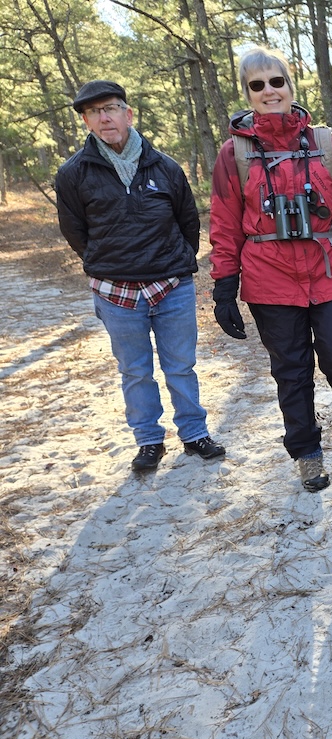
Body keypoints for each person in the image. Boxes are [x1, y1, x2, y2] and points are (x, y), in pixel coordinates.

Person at [209, 46, 332, 491]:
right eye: (258, 85)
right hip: (269, 280)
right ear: (248, 94)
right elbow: (224, 223)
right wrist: (223, 285)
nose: (269, 91)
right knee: (290, 370)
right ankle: (307, 453)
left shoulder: (327, 144)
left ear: (291, 85)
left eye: (277, 81)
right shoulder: (233, 154)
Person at [55, 80, 225, 474]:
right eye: (94, 112)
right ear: (86, 122)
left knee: (180, 365)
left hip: (171, 286)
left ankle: (194, 433)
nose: (105, 117)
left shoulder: (165, 167)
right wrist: (105, 262)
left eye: (111, 108)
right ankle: (149, 441)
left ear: (128, 114)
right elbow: (74, 232)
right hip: (115, 291)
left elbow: (188, 221)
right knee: (135, 370)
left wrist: (177, 261)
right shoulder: (73, 174)